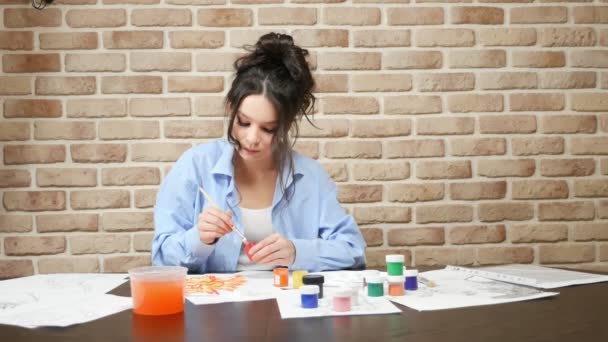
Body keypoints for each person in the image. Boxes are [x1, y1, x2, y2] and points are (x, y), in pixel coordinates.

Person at [152, 32, 366, 273]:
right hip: (216, 307)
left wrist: (297, 252)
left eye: (268, 128)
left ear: (286, 125)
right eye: (243, 122)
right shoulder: (196, 165)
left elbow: (353, 250)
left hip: (288, 305)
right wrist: (199, 239)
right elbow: (161, 258)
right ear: (230, 108)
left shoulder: (310, 176)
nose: (252, 138)